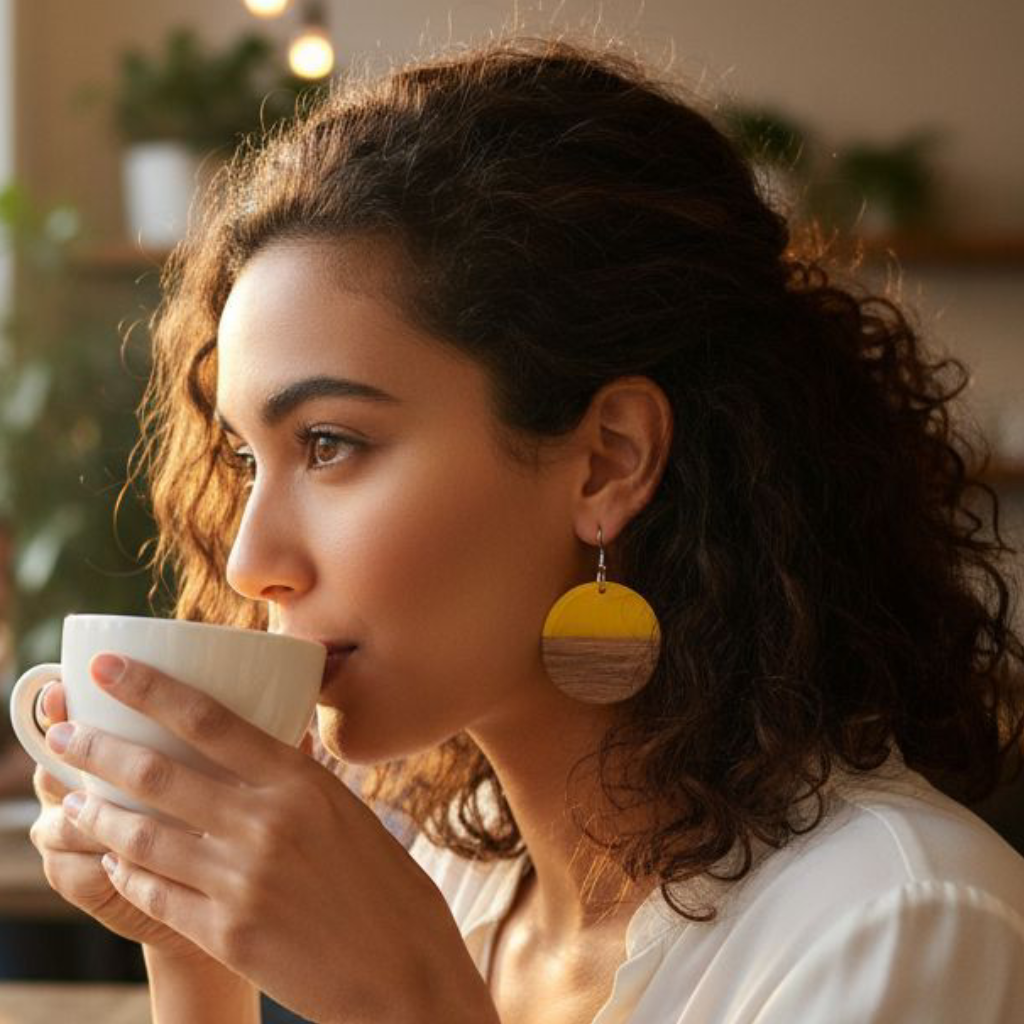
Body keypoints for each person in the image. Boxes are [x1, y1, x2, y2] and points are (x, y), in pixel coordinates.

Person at [27, 34, 1024, 1024]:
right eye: (246, 458)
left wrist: (409, 1000)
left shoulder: (901, 921)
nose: (251, 562)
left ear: (607, 460)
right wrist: (191, 944)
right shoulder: (458, 874)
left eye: (329, 442)